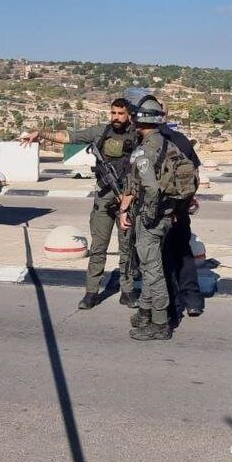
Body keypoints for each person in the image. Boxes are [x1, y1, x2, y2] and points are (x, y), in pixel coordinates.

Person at [22, 98, 139, 310]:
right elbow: (69, 137)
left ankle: (127, 290)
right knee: (98, 247)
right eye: (113, 113)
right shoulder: (100, 132)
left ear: (129, 114)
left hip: (128, 198)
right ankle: (91, 292)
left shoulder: (137, 135)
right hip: (104, 198)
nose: (116, 117)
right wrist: (41, 133)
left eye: (120, 113)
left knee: (127, 247)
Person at [118, 95, 176, 341]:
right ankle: (144, 313)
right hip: (166, 215)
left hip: (151, 218)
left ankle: (160, 323)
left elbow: (151, 188)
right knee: (148, 266)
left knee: (152, 271)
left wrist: (148, 215)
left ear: (140, 120)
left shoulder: (144, 151)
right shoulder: (167, 144)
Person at [159, 118, 204, 319]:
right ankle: (193, 301)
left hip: (162, 211)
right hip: (181, 209)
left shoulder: (151, 141)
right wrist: (184, 204)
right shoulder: (181, 139)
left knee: (165, 258)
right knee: (184, 254)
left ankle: (171, 306)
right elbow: (195, 176)